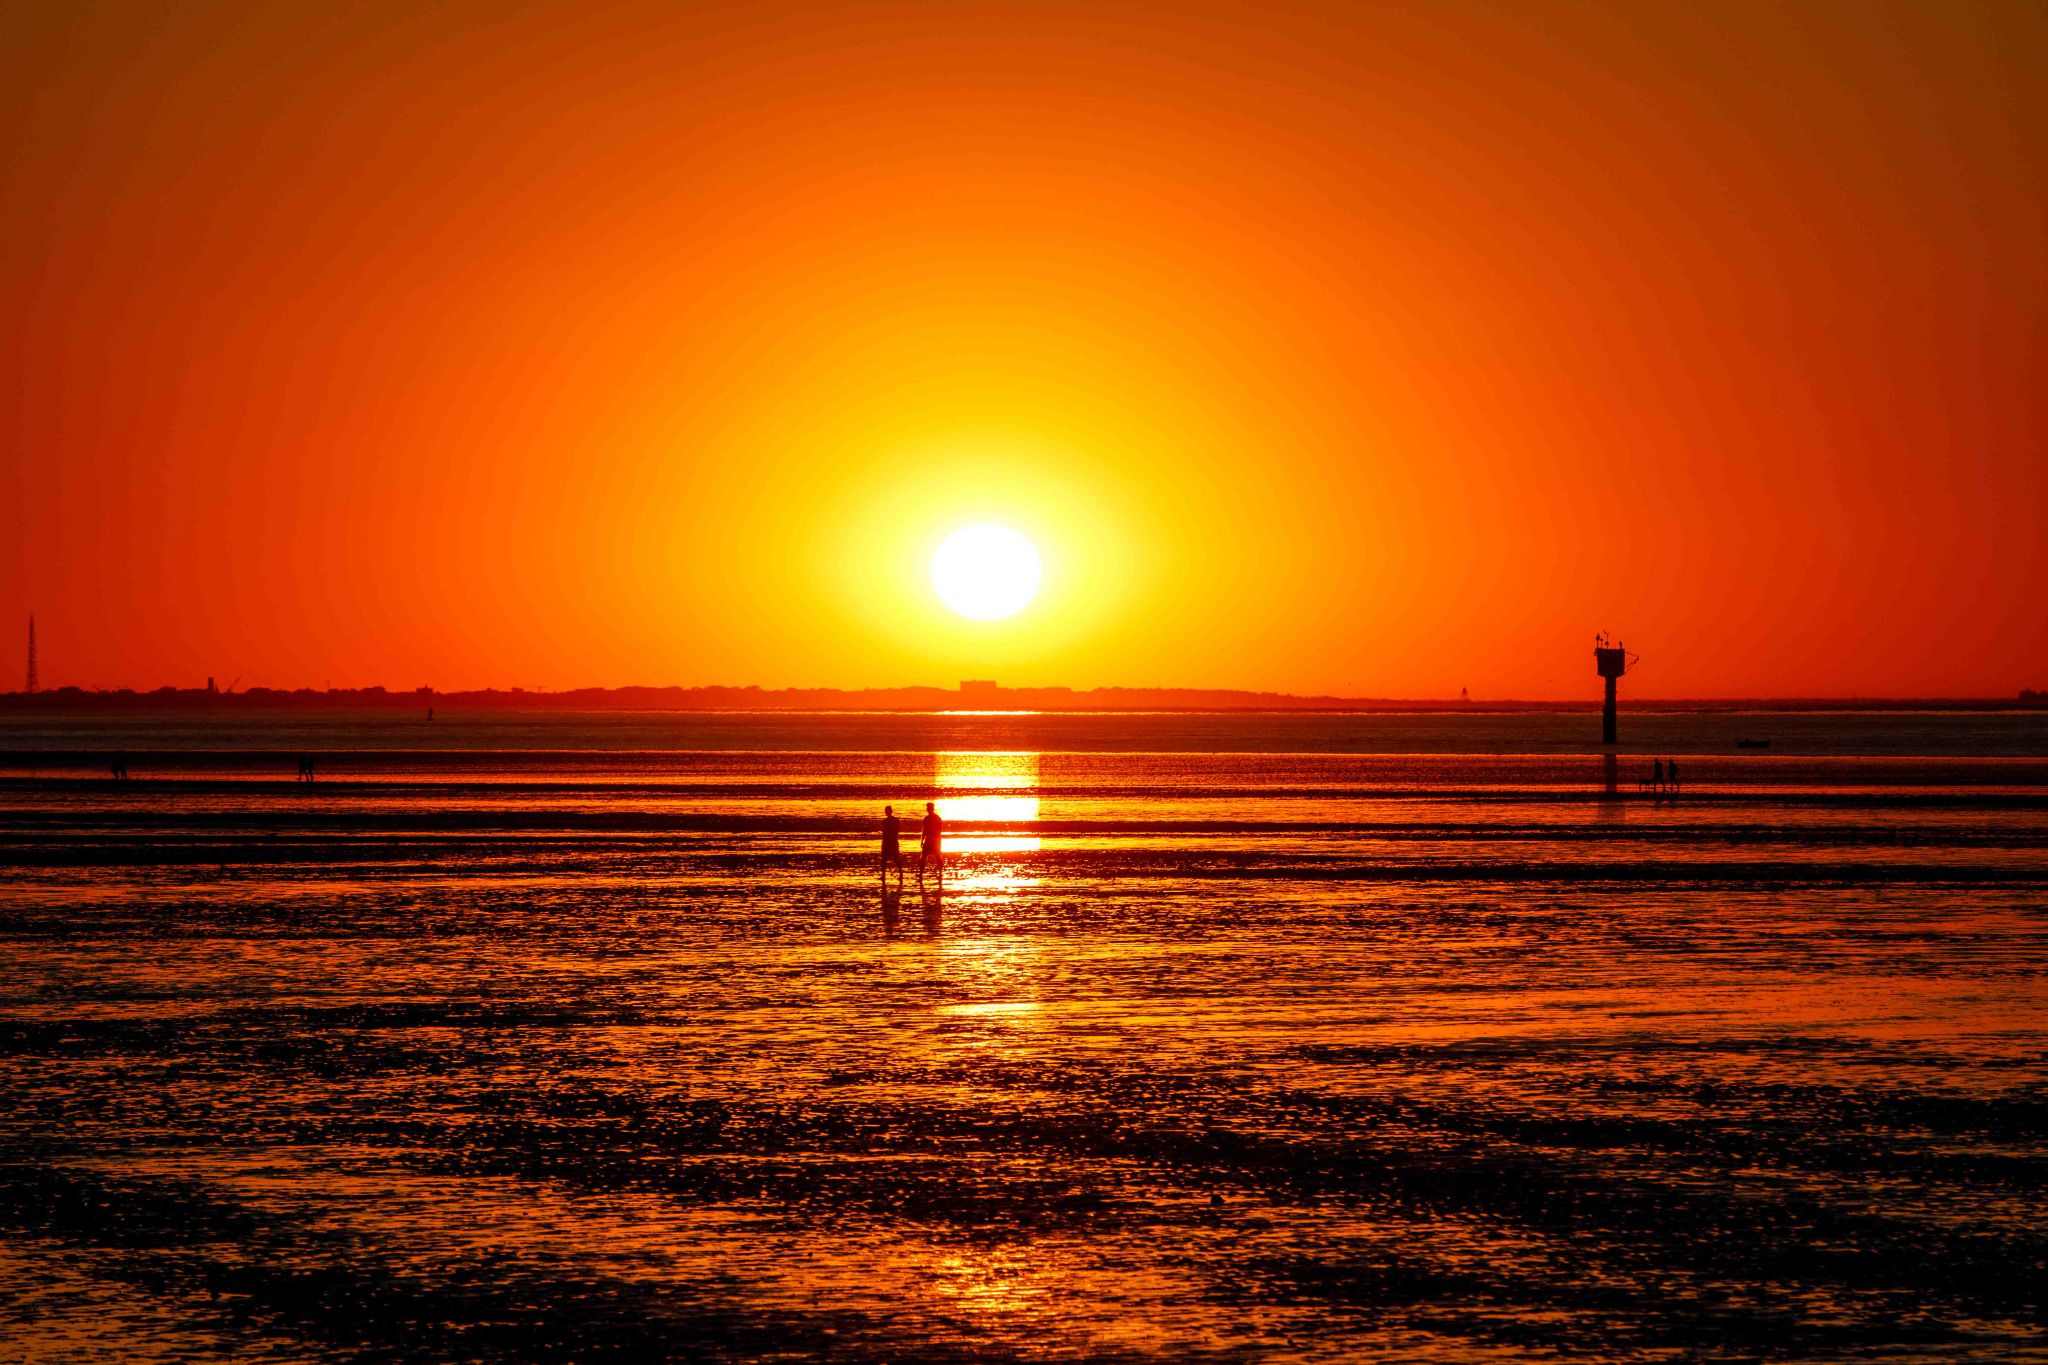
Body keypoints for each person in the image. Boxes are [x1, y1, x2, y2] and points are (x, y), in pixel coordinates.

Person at [918, 800, 944, 891]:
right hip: (935, 840)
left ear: (930, 809)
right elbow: (939, 830)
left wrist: (922, 840)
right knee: (937, 856)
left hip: (931, 840)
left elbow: (925, 831)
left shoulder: (928, 818)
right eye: (928, 808)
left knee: (925, 857)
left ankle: (921, 874)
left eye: (928, 808)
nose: (928, 809)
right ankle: (940, 873)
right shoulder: (937, 818)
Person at [880, 805, 905, 891]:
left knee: (885, 858)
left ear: (888, 811)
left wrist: (883, 843)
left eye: (886, 811)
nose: (885, 812)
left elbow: (884, 833)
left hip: (888, 842)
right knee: (896, 858)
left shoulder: (885, 821)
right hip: (893, 841)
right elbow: (897, 830)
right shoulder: (896, 820)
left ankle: (883, 875)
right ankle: (901, 874)